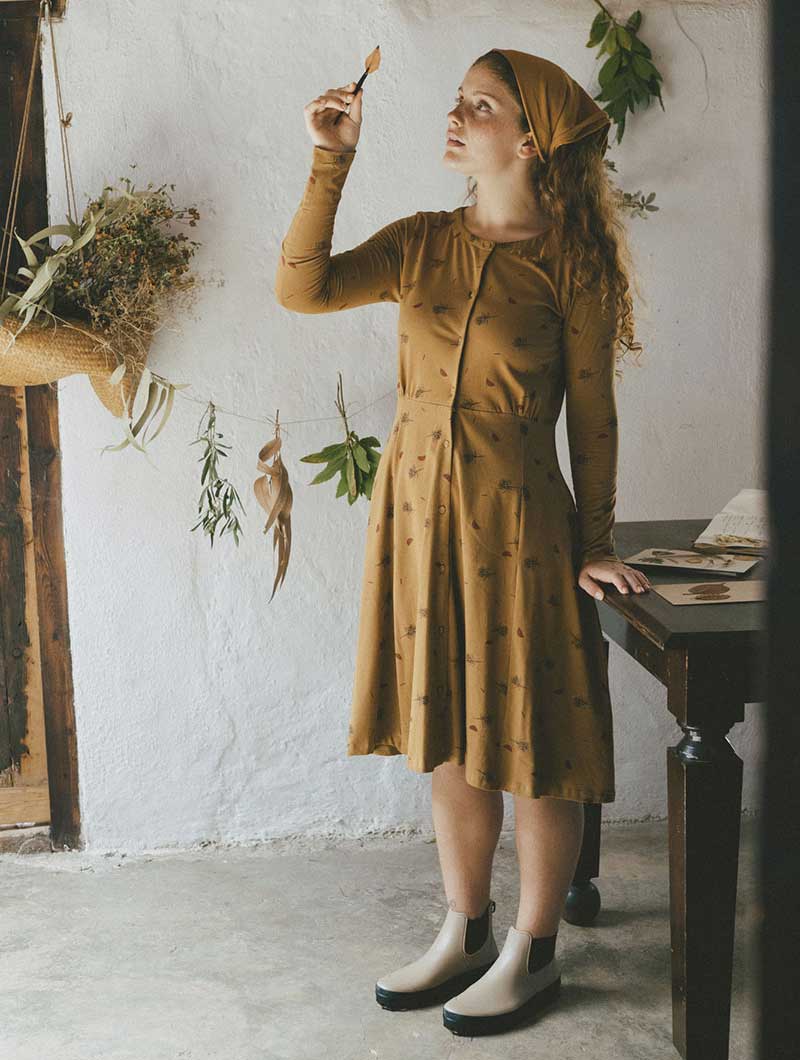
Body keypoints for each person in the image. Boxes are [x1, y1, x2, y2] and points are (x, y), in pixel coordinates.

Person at [275, 47, 650, 1037]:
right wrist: (330, 163)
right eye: (456, 100)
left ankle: (532, 948)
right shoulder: (419, 243)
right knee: (449, 733)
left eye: (477, 106)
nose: (454, 114)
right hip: (415, 526)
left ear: (528, 140)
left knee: (535, 746)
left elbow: (594, 420)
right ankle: (465, 926)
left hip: (522, 531)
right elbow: (300, 289)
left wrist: (595, 539)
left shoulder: (571, 263)